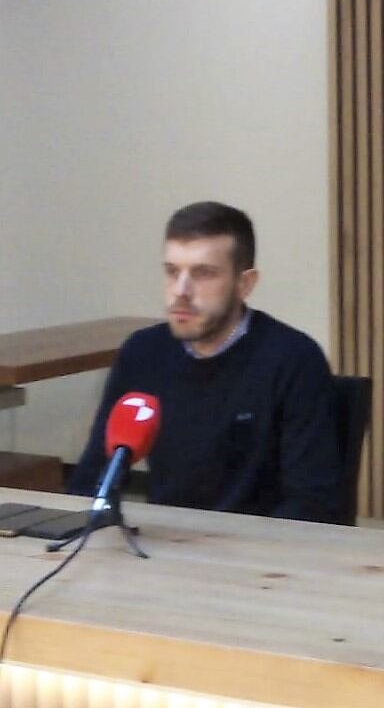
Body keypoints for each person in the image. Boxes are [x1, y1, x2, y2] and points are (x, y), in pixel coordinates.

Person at [68, 201, 343, 522]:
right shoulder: (142, 353)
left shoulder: (293, 359)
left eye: (203, 274)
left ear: (245, 284)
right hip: (166, 544)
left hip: (260, 553)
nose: (181, 291)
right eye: (172, 272)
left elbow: (314, 502)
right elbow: (92, 477)